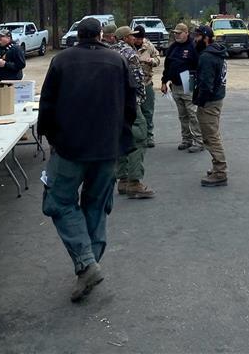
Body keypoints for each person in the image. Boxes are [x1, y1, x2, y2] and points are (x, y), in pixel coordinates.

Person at [38, 17, 137, 302]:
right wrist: (120, 138)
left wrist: (49, 135)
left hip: (70, 148)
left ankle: (86, 263)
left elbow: (47, 103)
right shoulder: (116, 61)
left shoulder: (62, 61)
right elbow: (131, 104)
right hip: (106, 149)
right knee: (95, 206)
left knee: (58, 201)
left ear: (77, 35)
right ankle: (88, 266)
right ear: (101, 36)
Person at [114, 26, 155, 199]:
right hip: (129, 103)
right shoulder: (130, 54)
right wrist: (139, 99)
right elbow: (137, 79)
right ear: (125, 38)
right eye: (131, 36)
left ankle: (122, 179)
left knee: (121, 137)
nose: (133, 38)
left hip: (115, 104)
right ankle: (134, 182)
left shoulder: (110, 52)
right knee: (139, 136)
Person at [193, 25, 228, 187]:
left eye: (198, 36)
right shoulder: (218, 52)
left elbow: (206, 83)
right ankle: (217, 167)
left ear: (206, 38)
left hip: (209, 101)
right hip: (217, 98)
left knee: (211, 136)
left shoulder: (207, 56)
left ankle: (220, 172)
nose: (195, 39)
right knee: (212, 133)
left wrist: (200, 100)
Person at [160, 22, 203, 152]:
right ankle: (186, 139)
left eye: (179, 33)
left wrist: (195, 82)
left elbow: (199, 66)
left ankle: (199, 141)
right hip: (175, 85)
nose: (176, 35)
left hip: (189, 84)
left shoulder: (193, 47)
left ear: (186, 33)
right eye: (175, 33)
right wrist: (164, 82)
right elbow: (167, 66)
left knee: (193, 114)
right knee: (182, 115)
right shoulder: (173, 47)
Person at [131, 24, 160, 147]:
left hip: (146, 83)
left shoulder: (149, 46)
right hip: (133, 85)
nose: (138, 40)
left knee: (147, 111)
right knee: (133, 112)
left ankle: (149, 136)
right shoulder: (128, 47)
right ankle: (135, 137)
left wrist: (151, 61)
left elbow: (158, 59)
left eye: (140, 38)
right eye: (136, 38)